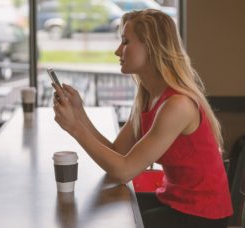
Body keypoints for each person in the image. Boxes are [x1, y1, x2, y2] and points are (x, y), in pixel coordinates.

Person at [52, 9, 233, 228]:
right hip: (173, 201)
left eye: (125, 42)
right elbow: (118, 153)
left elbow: (123, 171)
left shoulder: (177, 105)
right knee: (105, 210)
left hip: (202, 215)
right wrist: (79, 115)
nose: (118, 51)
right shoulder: (148, 98)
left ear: (152, 47)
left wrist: (75, 129)